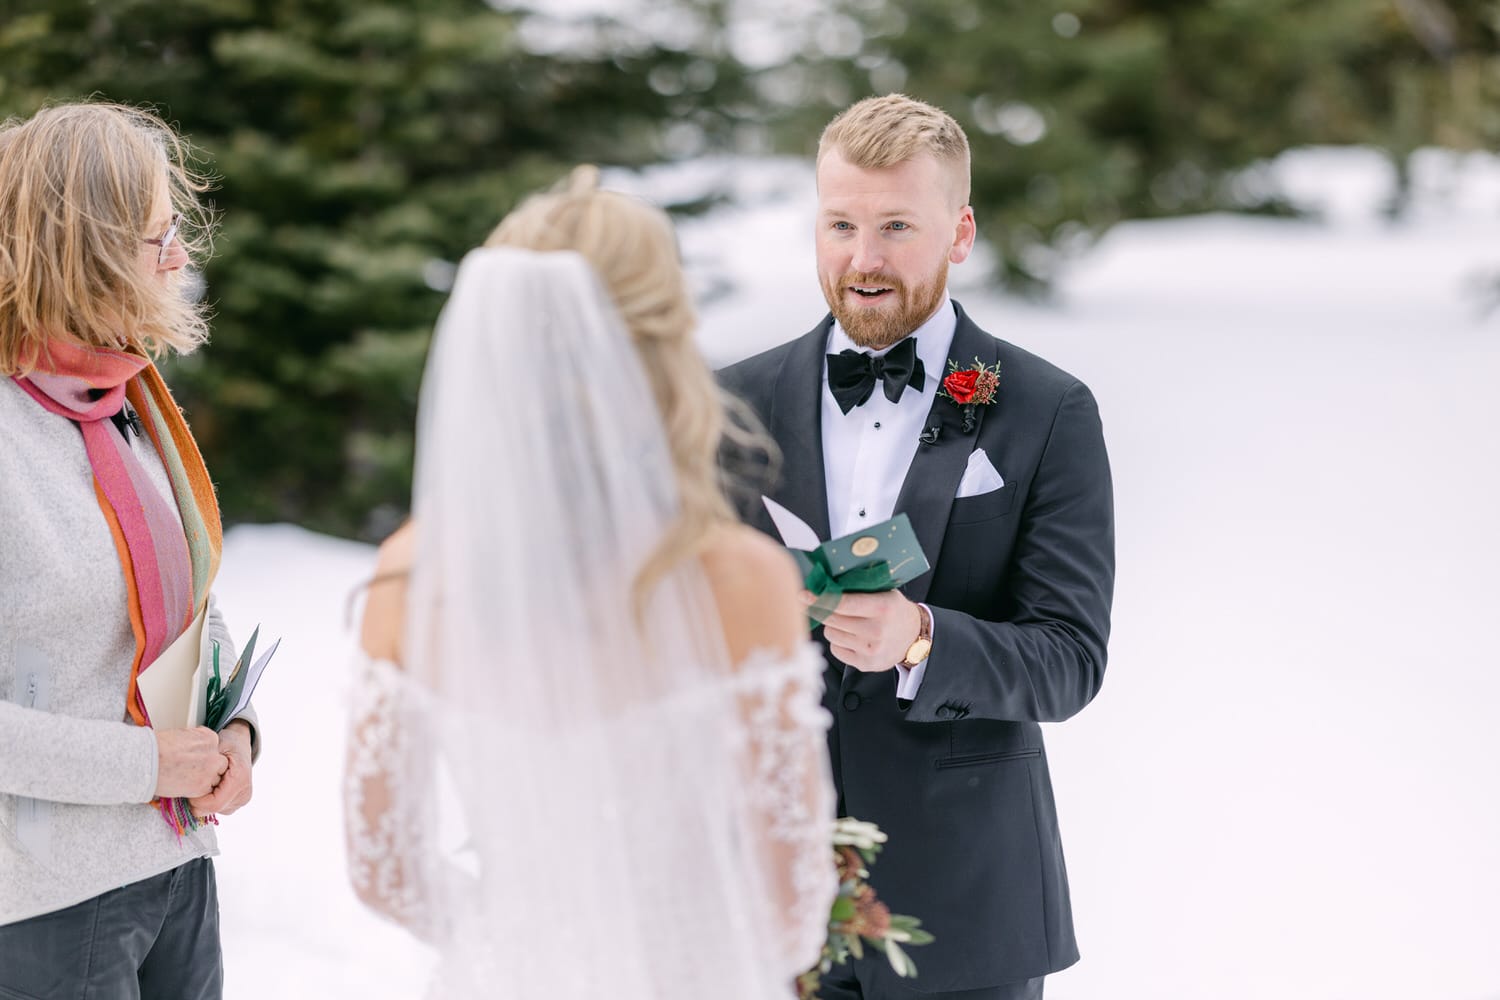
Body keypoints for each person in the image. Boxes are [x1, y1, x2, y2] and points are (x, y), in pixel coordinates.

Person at [344, 168, 838, 998]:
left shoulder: (412, 572)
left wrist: (526, 939)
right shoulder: (741, 578)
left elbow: (384, 869)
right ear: (661, 347)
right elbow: (789, 913)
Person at [718, 94, 1116, 1000]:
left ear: (960, 232)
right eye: (841, 224)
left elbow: (1071, 659)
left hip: (967, 911)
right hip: (763, 905)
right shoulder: (729, 408)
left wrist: (923, 641)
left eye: (897, 225)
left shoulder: (1045, 411)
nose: (864, 259)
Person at [0, 102, 260, 998]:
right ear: (90, 249)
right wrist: (150, 764)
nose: (181, 259)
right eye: (158, 239)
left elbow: (192, 598)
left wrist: (235, 732)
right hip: (40, 898)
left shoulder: (122, 401)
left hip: (174, 861)